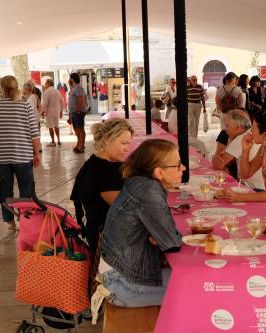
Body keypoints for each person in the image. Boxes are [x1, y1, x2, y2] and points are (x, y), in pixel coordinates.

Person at [99, 139, 183, 307]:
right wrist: (165, 236)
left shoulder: (139, 182)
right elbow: (172, 243)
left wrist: (159, 236)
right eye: (178, 165)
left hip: (120, 271)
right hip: (123, 283)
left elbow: (163, 236)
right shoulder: (149, 191)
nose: (183, 169)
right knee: (197, 288)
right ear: (159, 172)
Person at [70, 118, 134, 252]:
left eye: (129, 144)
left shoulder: (92, 163)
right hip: (108, 241)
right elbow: (128, 208)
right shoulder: (108, 171)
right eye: (123, 143)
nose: (127, 148)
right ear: (107, 139)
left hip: (95, 233)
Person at [0, 76, 41, 230]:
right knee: (25, 189)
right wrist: (36, 154)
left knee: (5, 190)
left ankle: (10, 221)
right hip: (23, 157)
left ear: (2, 88)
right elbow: (34, 134)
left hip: (2, 158)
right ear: (17, 87)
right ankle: (25, 219)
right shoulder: (24, 105)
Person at [212, 109, 263, 188]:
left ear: (239, 128)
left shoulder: (241, 139)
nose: (225, 129)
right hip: (257, 185)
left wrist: (215, 158)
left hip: (251, 187)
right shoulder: (247, 134)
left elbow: (218, 165)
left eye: (228, 126)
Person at [68, 73, 87, 153]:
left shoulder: (79, 87)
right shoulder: (73, 88)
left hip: (78, 111)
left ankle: (81, 145)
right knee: (76, 128)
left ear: (72, 79)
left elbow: (80, 99)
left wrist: (78, 110)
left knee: (80, 128)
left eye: (70, 79)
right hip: (73, 112)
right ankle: (79, 143)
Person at [42, 78, 63, 146]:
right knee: (56, 126)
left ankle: (53, 141)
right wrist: (61, 111)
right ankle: (59, 139)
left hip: (49, 112)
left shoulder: (47, 91)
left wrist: (42, 111)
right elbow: (62, 101)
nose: (45, 85)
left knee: (50, 127)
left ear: (49, 84)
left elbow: (45, 103)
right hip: (56, 111)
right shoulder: (57, 91)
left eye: (45, 83)